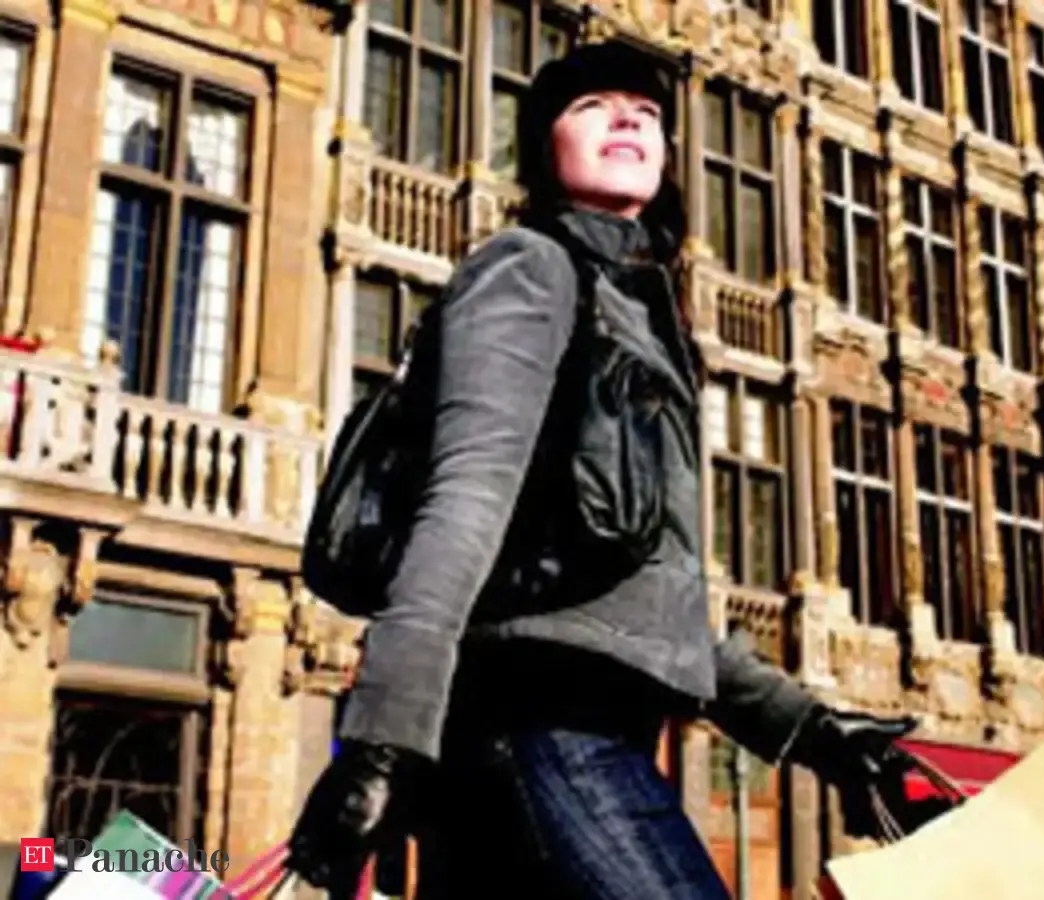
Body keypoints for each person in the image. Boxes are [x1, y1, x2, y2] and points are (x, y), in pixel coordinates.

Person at [286, 40, 918, 899]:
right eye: (592, 106)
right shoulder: (529, 268)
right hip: (537, 722)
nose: (627, 117)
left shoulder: (644, 316)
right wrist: (381, 742)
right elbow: (463, 499)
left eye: (647, 112)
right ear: (544, 148)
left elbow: (652, 610)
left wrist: (818, 735)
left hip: (586, 731)